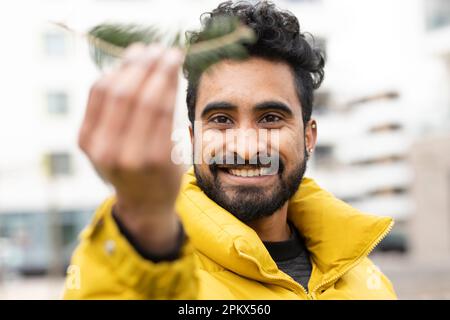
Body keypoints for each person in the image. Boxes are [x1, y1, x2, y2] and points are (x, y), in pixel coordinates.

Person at [64, 1, 396, 299]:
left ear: (309, 137)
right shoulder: (152, 264)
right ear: (193, 138)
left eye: (270, 118)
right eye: (222, 119)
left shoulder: (369, 282)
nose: (247, 148)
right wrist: (144, 226)